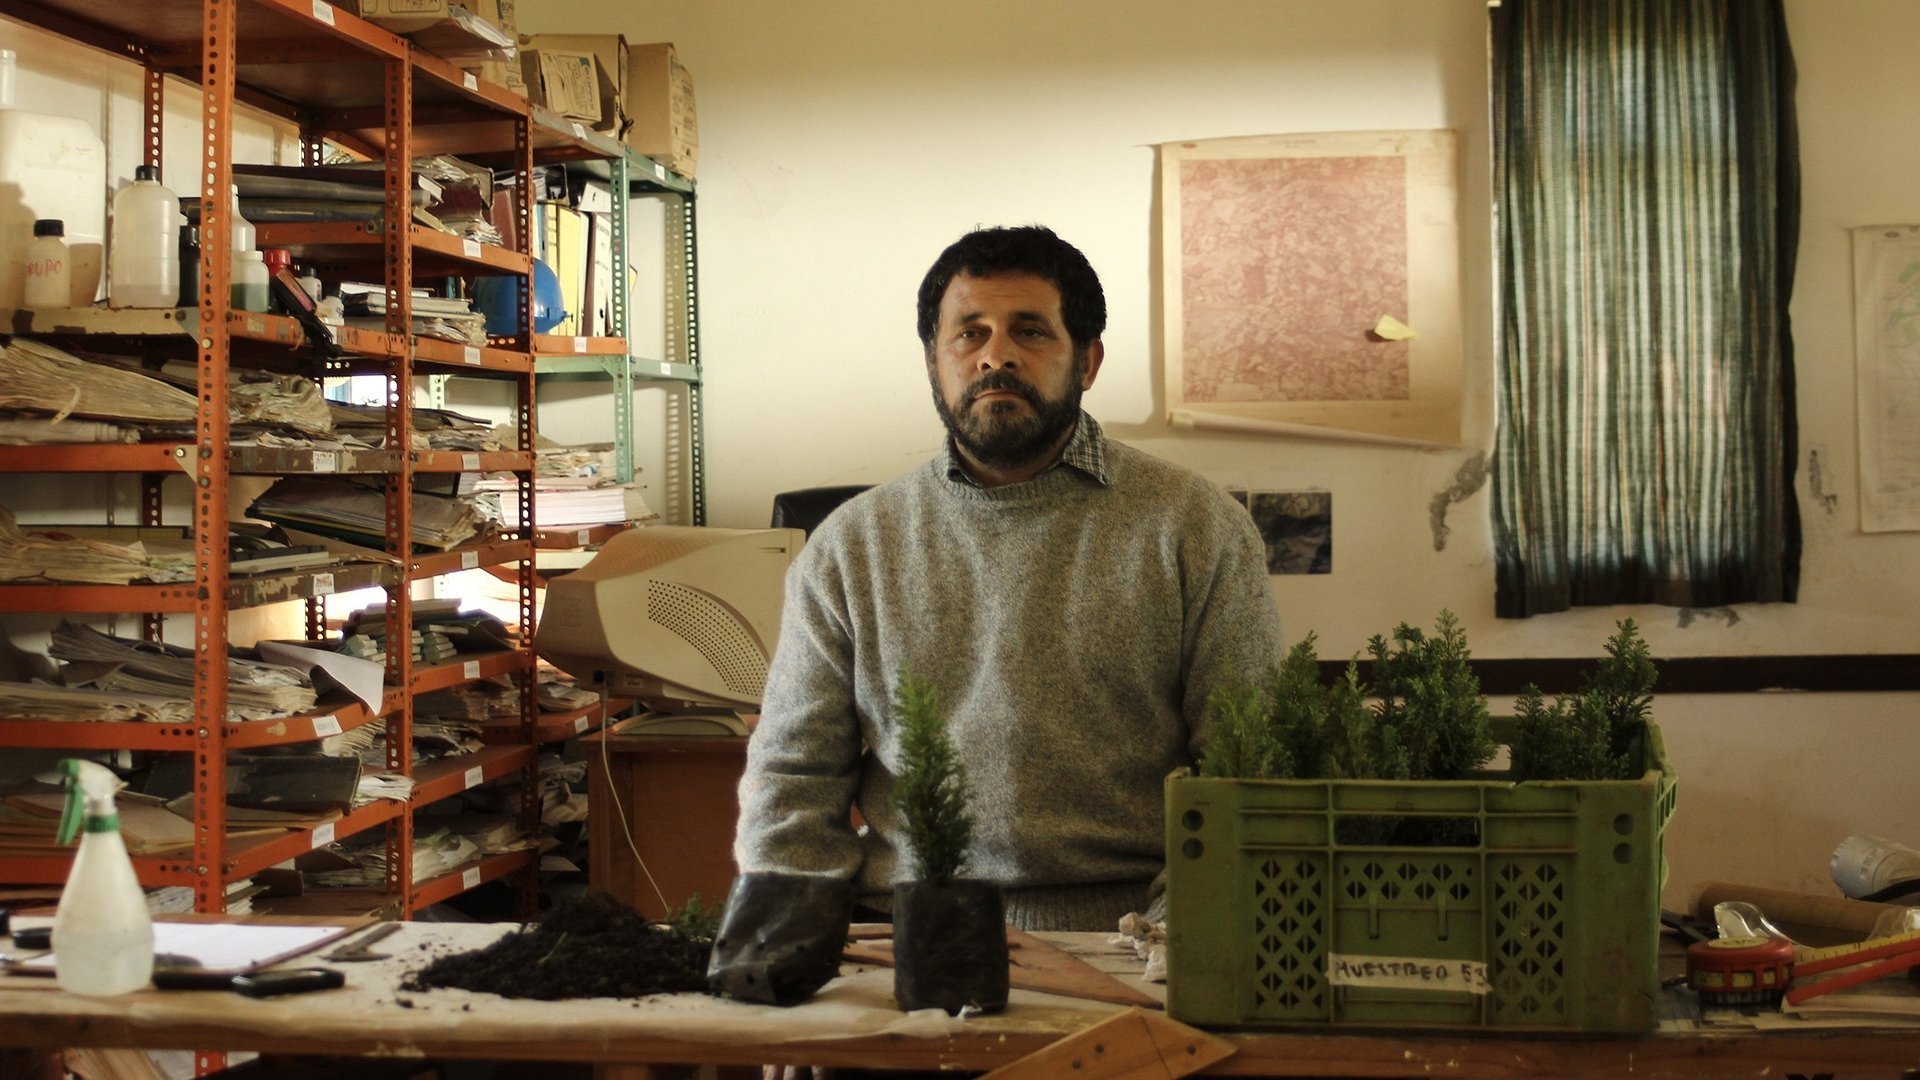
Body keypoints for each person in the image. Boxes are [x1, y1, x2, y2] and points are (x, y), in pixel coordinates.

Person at [732, 225, 1283, 934]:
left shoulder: (1196, 529)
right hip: (909, 929)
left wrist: (1181, 934)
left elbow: (1241, 769)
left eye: (1030, 331)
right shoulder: (850, 547)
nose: (997, 355)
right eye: (970, 334)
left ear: (1088, 361)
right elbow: (793, 779)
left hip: (1130, 933)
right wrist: (791, 938)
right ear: (933, 362)